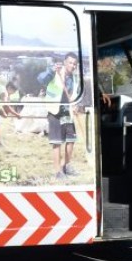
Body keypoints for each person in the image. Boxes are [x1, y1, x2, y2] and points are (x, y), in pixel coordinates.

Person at [38, 52, 80, 180]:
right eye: (70, 63)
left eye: (75, 64)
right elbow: (41, 79)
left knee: (71, 139)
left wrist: (76, 104)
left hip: (68, 111)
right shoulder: (55, 72)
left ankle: (65, 166)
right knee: (57, 142)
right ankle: (57, 172)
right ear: (65, 62)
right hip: (55, 111)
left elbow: (76, 93)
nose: (72, 66)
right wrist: (51, 70)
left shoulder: (75, 77)